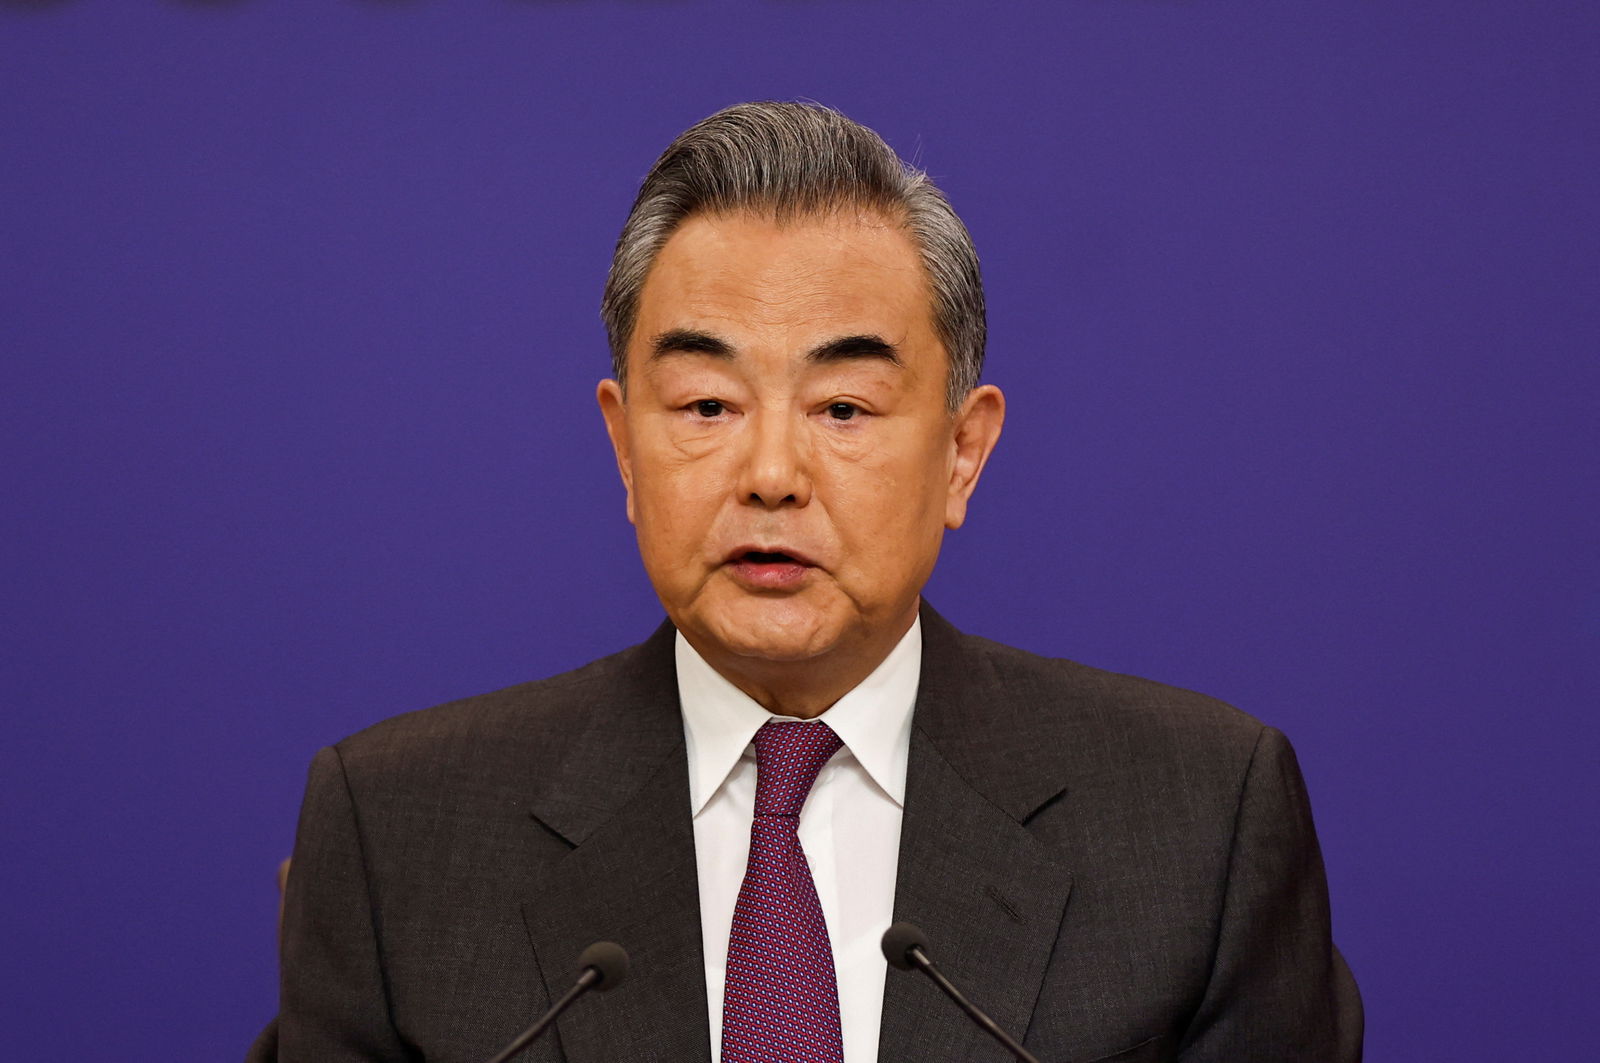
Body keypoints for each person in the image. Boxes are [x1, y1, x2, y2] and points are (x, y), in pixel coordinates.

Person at [251, 102, 1361, 1063]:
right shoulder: (399, 839)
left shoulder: (1197, 821)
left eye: (842, 409)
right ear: (624, 447)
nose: (770, 474)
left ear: (962, 452)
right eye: (704, 406)